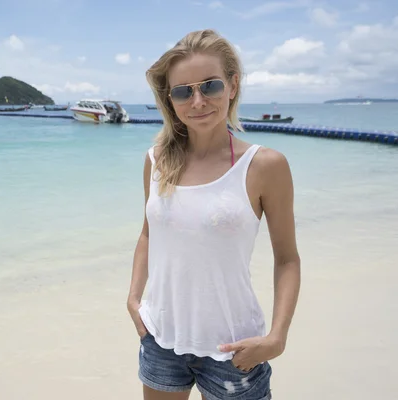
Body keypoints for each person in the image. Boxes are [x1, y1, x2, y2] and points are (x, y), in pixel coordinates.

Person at [126, 29, 301, 400]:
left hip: (234, 348)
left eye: (211, 86)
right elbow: (147, 234)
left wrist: (278, 338)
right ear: (170, 99)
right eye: (183, 91)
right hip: (160, 337)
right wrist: (133, 298)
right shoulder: (156, 161)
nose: (198, 100)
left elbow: (287, 259)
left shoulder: (264, 166)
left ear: (233, 86)